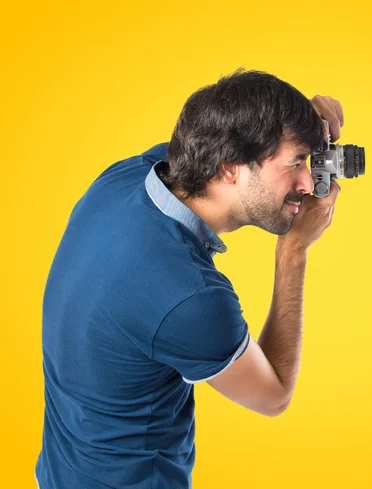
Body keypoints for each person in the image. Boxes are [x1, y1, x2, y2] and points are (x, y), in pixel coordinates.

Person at [35, 68, 344, 489]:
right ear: (230, 167)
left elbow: (214, 126)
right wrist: (293, 253)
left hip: (60, 472)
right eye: (295, 163)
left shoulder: (126, 178)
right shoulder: (190, 297)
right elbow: (274, 395)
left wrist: (301, 125)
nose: (308, 182)